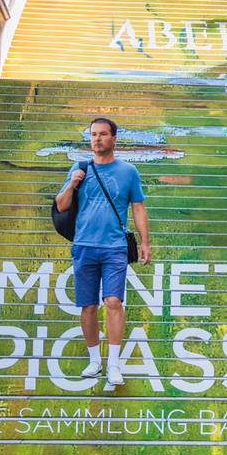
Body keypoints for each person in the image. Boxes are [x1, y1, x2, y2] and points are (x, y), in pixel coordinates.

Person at [54, 117, 152, 387]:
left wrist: (145, 242)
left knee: (113, 302)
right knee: (88, 305)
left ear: (114, 138)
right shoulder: (80, 168)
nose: (96, 139)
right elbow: (61, 206)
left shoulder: (128, 172)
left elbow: (138, 207)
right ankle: (94, 360)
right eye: (93, 134)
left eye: (102, 134)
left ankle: (114, 364)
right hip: (84, 245)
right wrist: (72, 184)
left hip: (114, 247)